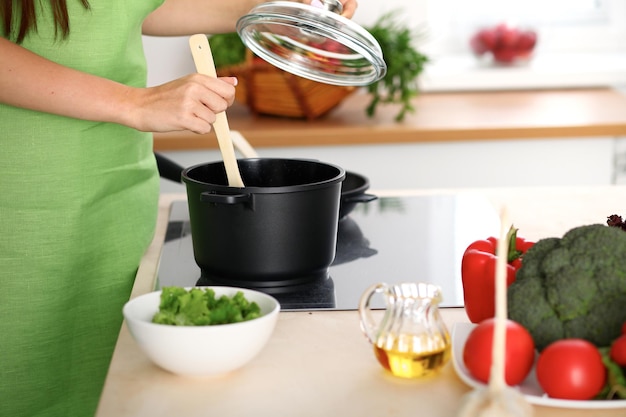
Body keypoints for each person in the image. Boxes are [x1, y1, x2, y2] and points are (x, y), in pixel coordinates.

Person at [0, 0, 357, 416]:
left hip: (116, 198)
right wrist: (133, 103)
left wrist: (267, 10)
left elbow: (129, 7)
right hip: (21, 210)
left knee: (111, 391)